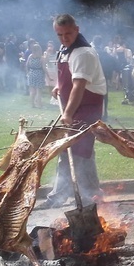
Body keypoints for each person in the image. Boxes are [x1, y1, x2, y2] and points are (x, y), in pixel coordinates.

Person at [40, 14, 107, 209]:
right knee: (73, 150)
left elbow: (79, 86)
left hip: (87, 108)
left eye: (68, 33)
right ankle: (89, 194)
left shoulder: (83, 53)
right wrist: (60, 87)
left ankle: (83, 197)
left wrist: (67, 114)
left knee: (79, 152)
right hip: (76, 106)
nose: (64, 38)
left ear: (77, 29)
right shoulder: (65, 49)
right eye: (59, 35)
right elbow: (69, 79)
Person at [26, 43, 49, 108]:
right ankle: (39, 105)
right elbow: (44, 68)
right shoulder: (41, 58)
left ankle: (32, 104)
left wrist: (27, 73)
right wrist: (49, 76)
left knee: (32, 90)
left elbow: (27, 65)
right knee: (39, 91)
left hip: (31, 73)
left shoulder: (30, 56)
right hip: (39, 74)